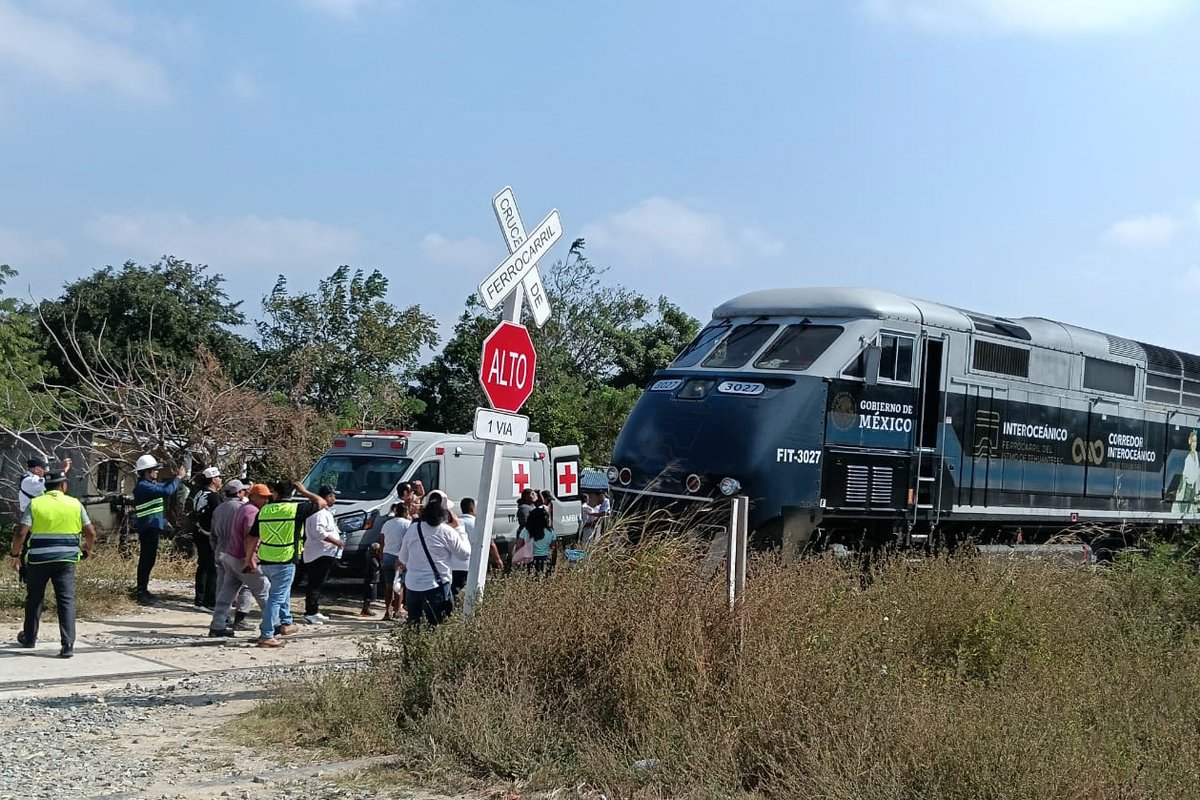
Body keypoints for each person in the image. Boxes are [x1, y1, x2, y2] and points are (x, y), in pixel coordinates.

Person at [9, 471, 95, 658]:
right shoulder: (75, 504)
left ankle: (30, 638)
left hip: (38, 560)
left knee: (35, 598)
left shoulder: (36, 504)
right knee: (66, 600)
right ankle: (67, 645)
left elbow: (21, 533)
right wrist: (87, 550)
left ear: (45, 488)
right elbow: (90, 532)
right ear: (63, 486)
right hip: (66, 561)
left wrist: (15, 555)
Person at [247, 480, 327, 647]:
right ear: (292, 493)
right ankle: (266, 634)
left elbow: (253, 536)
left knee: (281, 592)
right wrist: (304, 490)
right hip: (285, 559)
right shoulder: (296, 509)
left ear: (275, 493)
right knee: (275, 598)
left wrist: (248, 558)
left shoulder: (264, 511)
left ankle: (286, 622)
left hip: (266, 560)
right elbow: (321, 502)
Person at [208, 481, 272, 639]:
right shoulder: (250, 511)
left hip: (226, 553)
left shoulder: (222, 508)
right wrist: (250, 560)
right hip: (242, 556)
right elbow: (250, 536)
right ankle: (273, 625)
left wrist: (216, 549)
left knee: (225, 593)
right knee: (263, 590)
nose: (267, 501)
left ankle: (217, 625)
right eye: (264, 497)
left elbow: (213, 534)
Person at [397, 492, 470, 628]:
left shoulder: (414, 528)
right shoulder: (447, 532)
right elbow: (464, 554)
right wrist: (460, 529)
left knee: (414, 627)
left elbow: (403, 558)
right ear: (445, 513)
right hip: (436, 588)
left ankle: (412, 649)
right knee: (437, 627)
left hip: (413, 587)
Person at [132, 454, 187, 604]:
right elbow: (167, 491)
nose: (157, 472)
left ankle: (143, 589)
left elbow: (165, 488)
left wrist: (175, 480)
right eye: (154, 470)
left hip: (152, 527)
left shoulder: (150, 485)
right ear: (146, 472)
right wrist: (178, 478)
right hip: (148, 528)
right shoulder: (144, 486)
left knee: (149, 560)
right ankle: (141, 591)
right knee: (146, 560)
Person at [208, 478, 254, 632]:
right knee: (245, 586)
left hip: (220, 551)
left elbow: (212, 534)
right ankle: (240, 619)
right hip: (237, 552)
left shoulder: (219, 509)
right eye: (243, 490)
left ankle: (222, 617)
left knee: (223, 586)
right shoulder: (243, 508)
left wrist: (216, 548)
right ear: (238, 492)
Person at [301, 485, 344, 625]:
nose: (334, 499)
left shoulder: (325, 511)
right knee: (315, 584)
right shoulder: (319, 512)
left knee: (318, 584)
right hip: (319, 554)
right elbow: (320, 533)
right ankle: (310, 613)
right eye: (332, 496)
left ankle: (314, 610)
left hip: (324, 553)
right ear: (325, 497)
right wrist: (337, 542)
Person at [452, 497, 501, 597]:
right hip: (474, 563)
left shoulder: (456, 523)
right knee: (473, 590)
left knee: (455, 591)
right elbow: (490, 544)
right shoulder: (479, 524)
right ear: (473, 508)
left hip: (455, 564)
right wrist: (498, 559)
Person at [190, 466, 222, 611]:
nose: (221, 480)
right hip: (209, 534)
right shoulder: (214, 496)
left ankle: (199, 599)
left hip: (198, 532)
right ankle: (210, 601)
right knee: (212, 568)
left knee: (202, 566)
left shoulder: (199, 493)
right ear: (214, 479)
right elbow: (219, 516)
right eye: (219, 477)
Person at [518, 505, 556, 576]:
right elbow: (553, 550)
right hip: (545, 560)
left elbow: (519, 546)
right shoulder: (550, 531)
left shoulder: (526, 530)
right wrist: (553, 563)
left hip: (529, 560)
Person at [1174, 430, 1200, 514]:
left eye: (1195, 441)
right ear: (1190, 442)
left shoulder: (1196, 455)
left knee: (1192, 505)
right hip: (1188, 485)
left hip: (1194, 486)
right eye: (1193, 441)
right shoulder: (1188, 458)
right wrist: (1180, 487)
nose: (1194, 444)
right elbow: (1184, 474)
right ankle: (1182, 513)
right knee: (1185, 502)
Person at [361, 542, 382, 617]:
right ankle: (365, 609)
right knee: (368, 597)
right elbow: (374, 570)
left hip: (372, 580)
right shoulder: (373, 561)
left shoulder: (370, 558)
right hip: (371, 580)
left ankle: (366, 609)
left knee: (369, 596)